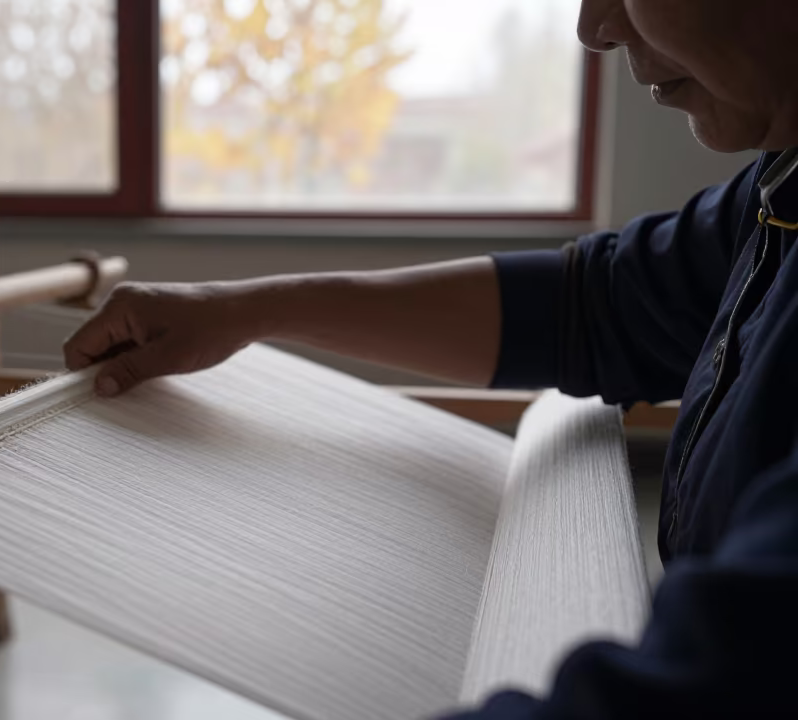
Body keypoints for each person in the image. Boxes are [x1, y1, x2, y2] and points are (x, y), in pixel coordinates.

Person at [63, 0, 798, 716]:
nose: (594, 27)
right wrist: (245, 309)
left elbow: (730, 679)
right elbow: (596, 307)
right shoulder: (776, 195)